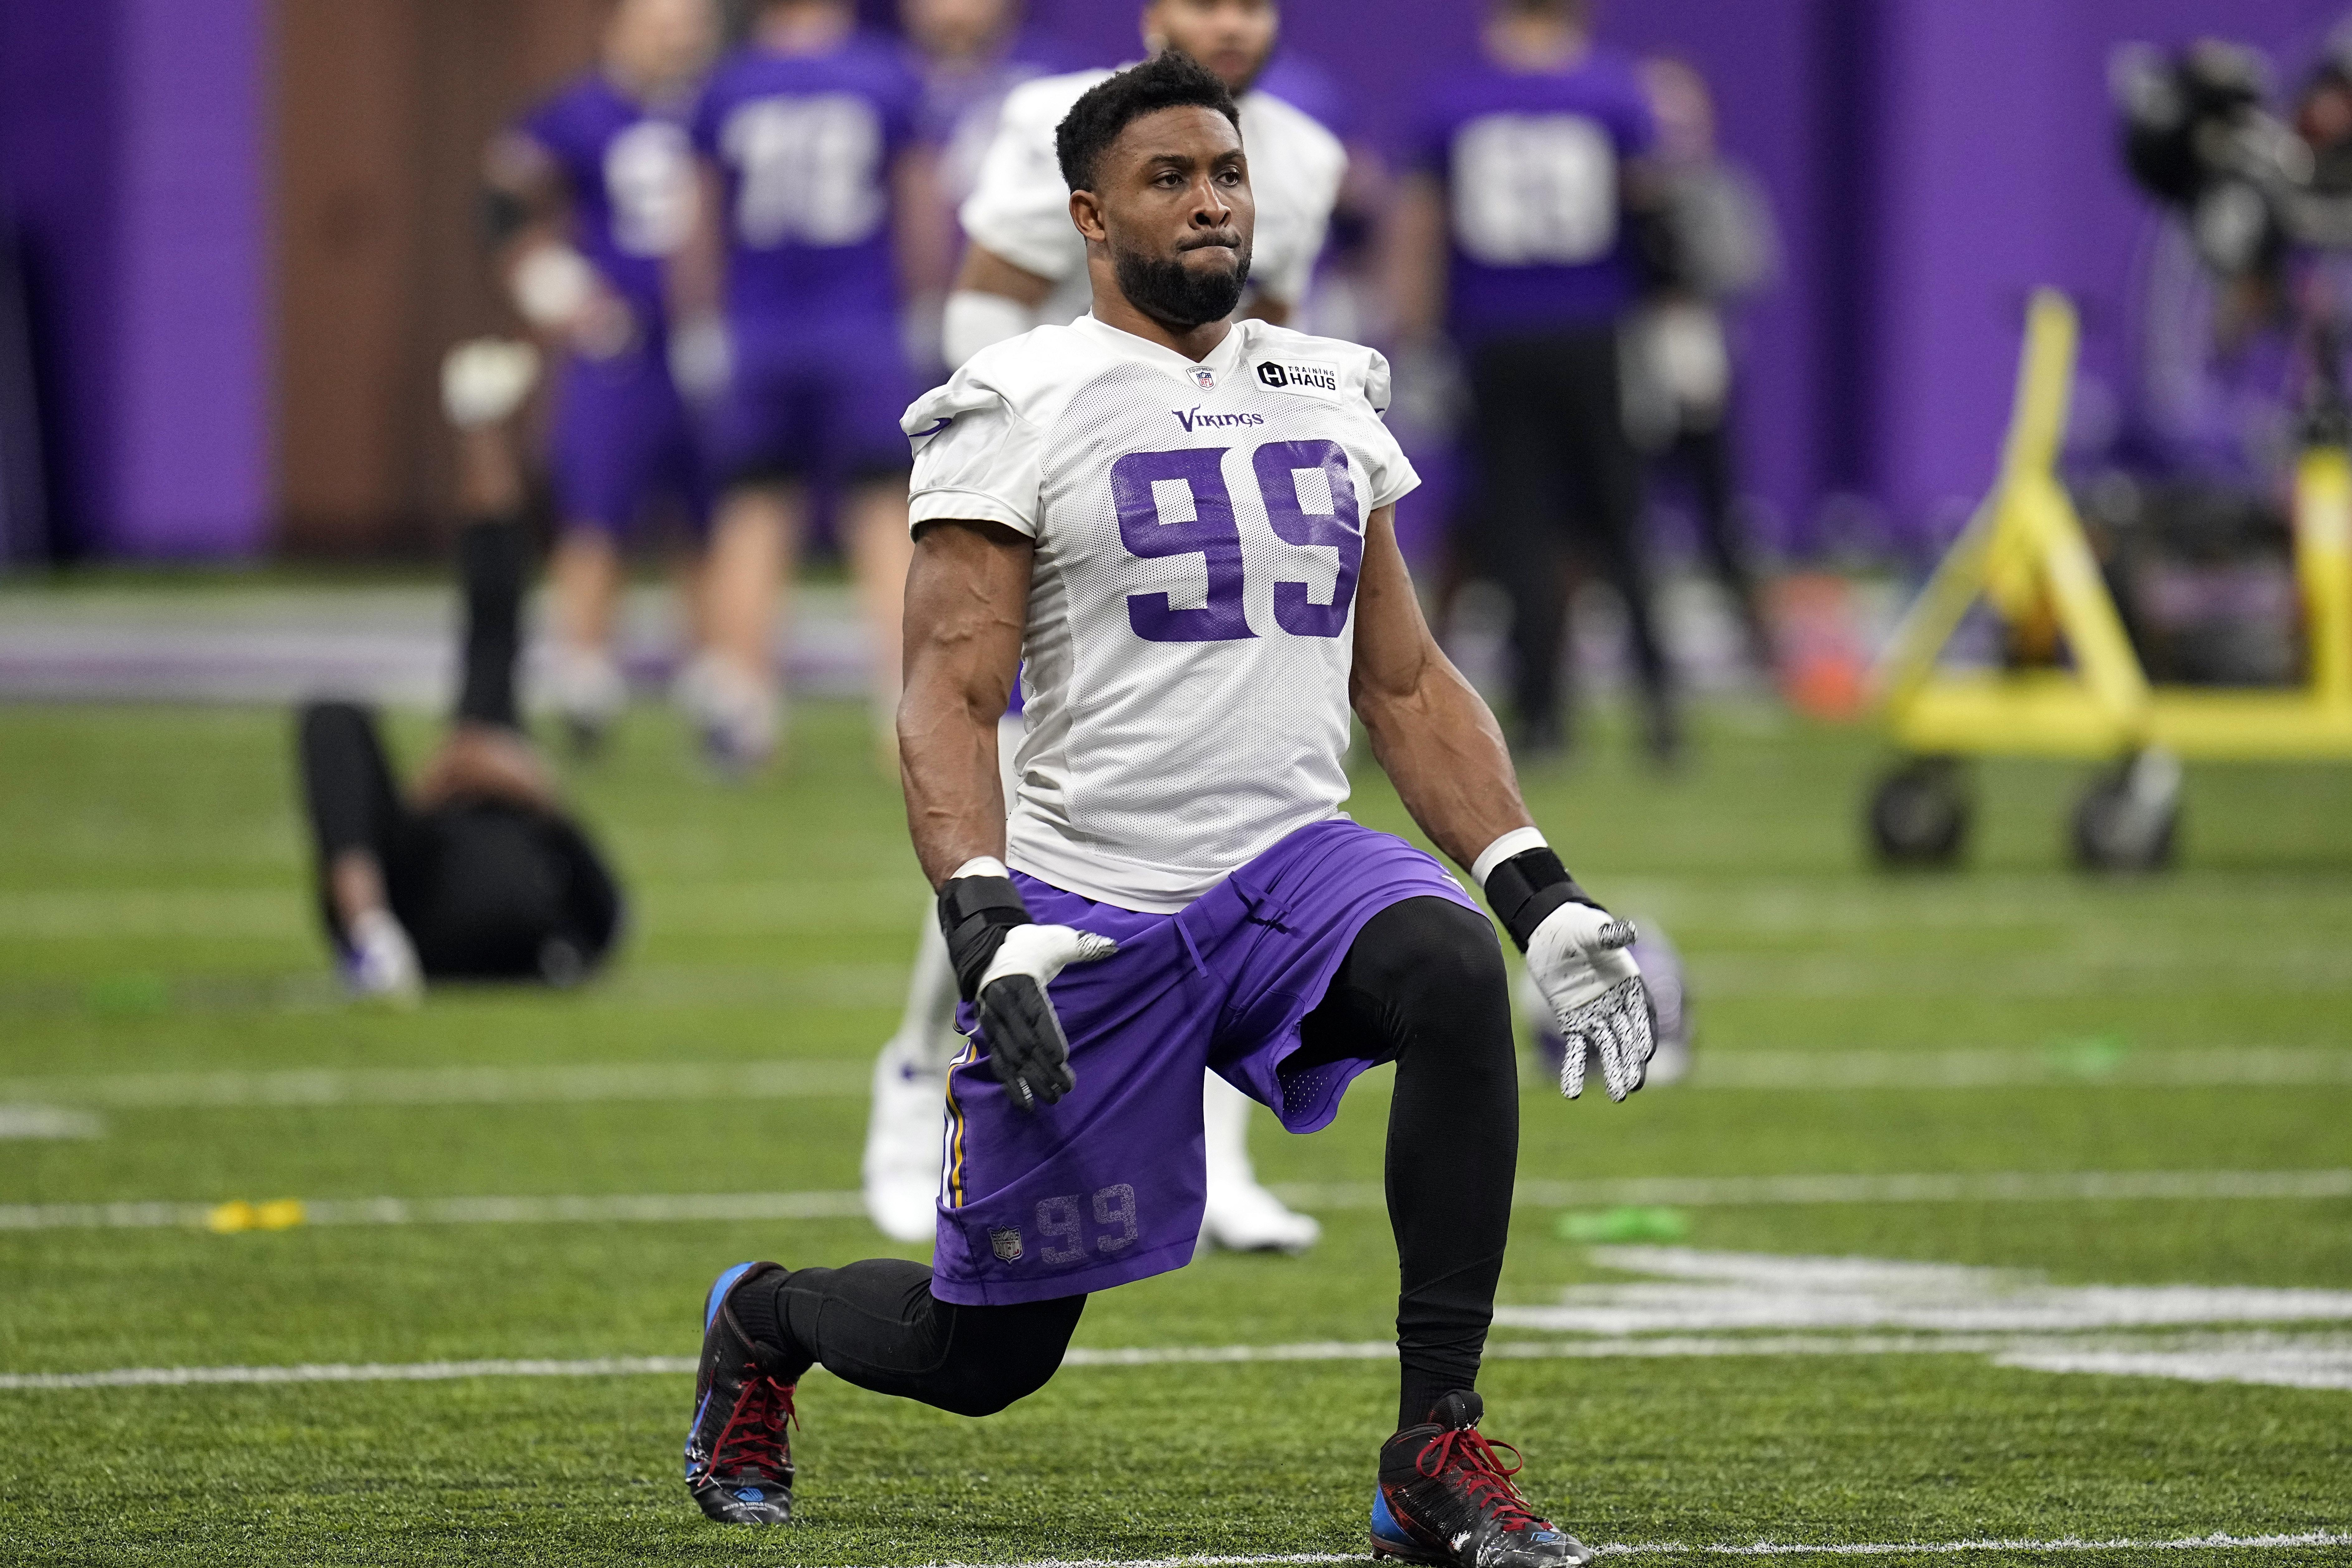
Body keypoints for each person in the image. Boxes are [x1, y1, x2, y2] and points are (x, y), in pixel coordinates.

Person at [680, 56, 1655, 1568]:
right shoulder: (1020, 400)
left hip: (1290, 872)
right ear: (1088, 215)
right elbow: (947, 698)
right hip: (1091, 913)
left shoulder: (1329, 386)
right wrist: (986, 921)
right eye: (1169, 179)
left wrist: (1542, 889)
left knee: (1453, 966)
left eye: (1227, 174)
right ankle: (764, 1321)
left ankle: (1433, 1449)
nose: (1211, 203)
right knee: (984, 1355)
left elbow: (1401, 681)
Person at [861, 0, 1347, 1256]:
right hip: (1072, 505)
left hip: (1213, 518)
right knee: (1024, 804)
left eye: (1250, 3)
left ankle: (1218, 1138)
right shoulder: (1057, 126)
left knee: (1252, 809)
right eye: (1204, 2)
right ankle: (918, 1076)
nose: (1228, 25)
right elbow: (979, 312)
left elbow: (1269, 341)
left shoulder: (1304, 152)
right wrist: (1078, 420)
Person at [1390, 0, 1677, 763]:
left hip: (1495, 331)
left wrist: (1413, 330)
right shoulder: (1613, 91)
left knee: (1514, 525)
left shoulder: (1456, 98)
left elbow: (1421, 224)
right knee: (1618, 516)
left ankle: (1544, 714)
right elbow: (1648, 204)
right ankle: (1660, 708)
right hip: (1591, 328)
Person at [670, 0, 948, 770]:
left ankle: (741, 710)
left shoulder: (728, 83)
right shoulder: (887, 74)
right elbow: (920, 204)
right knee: (884, 520)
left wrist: (697, 320)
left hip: (759, 334)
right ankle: (904, 714)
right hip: (862, 331)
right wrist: (927, 305)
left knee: (753, 514)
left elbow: (696, 218)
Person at [296, 349, 624, 1001]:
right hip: (419, 906)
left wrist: (535, 797)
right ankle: (371, 941)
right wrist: (518, 789)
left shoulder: (528, 835)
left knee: (485, 651)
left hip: (501, 917)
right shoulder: (501, 785)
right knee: (339, 715)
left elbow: (612, 921)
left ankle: (369, 940)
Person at [483, 0, 722, 754]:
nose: (675, 43)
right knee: (596, 513)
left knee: (709, 523)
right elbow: (500, 198)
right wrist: (551, 285)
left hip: (704, 340)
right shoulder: (581, 111)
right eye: (660, 27)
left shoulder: (720, 104)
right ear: (618, 32)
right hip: (618, 345)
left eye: (687, 29)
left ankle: (720, 684)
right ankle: (583, 681)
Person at [1622, 55, 1778, 684]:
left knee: (1720, 513)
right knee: (1612, 512)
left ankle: (1763, 649)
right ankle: (1631, 650)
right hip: (1626, 366)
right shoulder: (1618, 189)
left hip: (1695, 364)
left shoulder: (1719, 187)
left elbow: (1750, 265)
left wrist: (1685, 256)